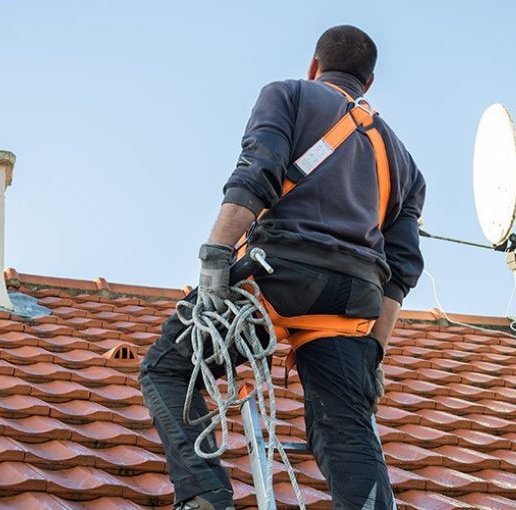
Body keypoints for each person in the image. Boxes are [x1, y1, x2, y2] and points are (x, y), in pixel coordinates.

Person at [139, 25, 426, 510]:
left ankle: (205, 497)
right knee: (344, 425)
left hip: (278, 275)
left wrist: (215, 258)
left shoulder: (289, 94)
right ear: (369, 83)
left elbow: (257, 172)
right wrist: (373, 351)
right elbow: (401, 269)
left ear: (314, 67)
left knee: (166, 369)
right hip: (354, 301)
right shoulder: (404, 161)